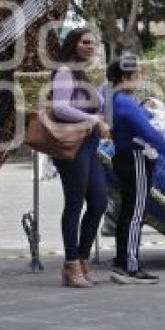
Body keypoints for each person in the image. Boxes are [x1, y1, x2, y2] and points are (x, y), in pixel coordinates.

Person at [50, 28, 111, 288]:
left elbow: (98, 103)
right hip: (73, 146)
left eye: (94, 43)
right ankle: (71, 264)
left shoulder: (82, 74)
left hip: (89, 145)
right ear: (73, 44)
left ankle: (82, 259)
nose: (90, 47)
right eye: (85, 42)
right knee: (75, 203)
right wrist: (92, 119)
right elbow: (60, 108)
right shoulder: (64, 72)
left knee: (98, 202)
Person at [105, 55, 165, 285]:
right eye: (136, 75)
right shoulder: (124, 101)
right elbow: (148, 132)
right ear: (125, 77)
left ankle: (122, 261)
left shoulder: (112, 96)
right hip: (135, 158)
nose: (140, 79)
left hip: (124, 157)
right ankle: (130, 266)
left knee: (127, 211)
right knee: (135, 213)